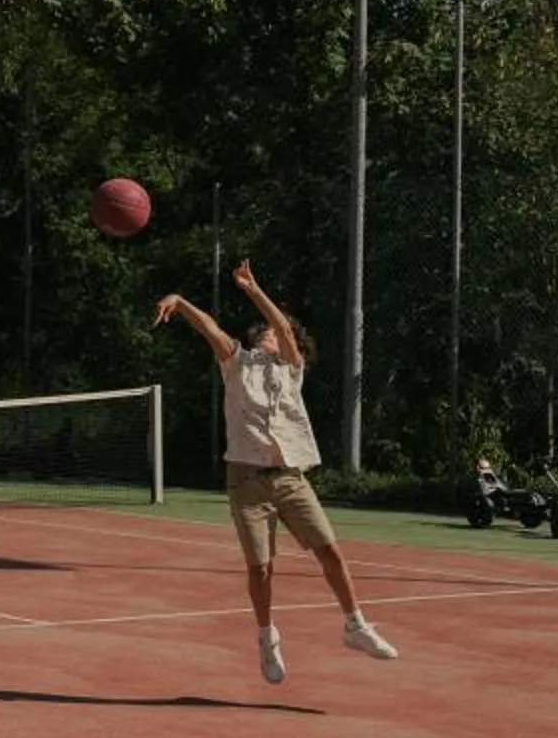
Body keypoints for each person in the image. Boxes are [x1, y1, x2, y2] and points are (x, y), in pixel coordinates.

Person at [154, 260, 399, 683]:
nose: (270, 333)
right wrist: (180, 301)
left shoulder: (291, 368)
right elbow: (211, 328)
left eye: (275, 332)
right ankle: (267, 638)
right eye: (263, 331)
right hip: (247, 482)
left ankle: (355, 625)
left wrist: (253, 289)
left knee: (330, 550)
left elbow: (284, 327)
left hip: (289, 478)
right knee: (261, 568)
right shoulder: (236, 363)